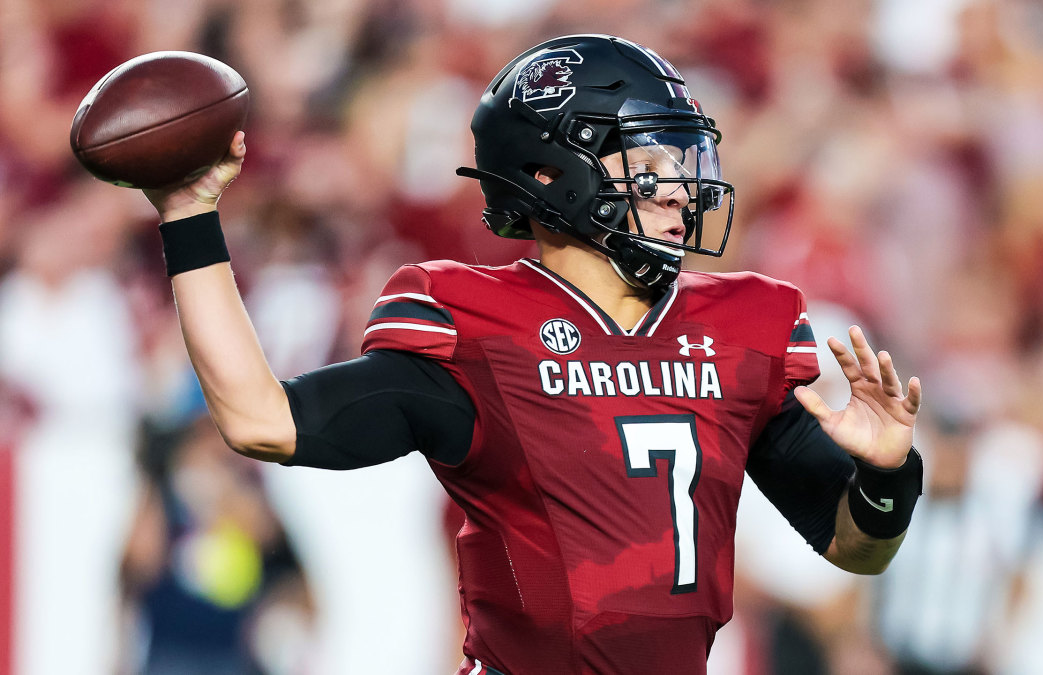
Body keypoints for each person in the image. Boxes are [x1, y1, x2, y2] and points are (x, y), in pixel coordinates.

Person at [141, 34, 924, 675]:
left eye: (684, 163)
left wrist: (889, 473)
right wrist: (189, 214)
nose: (684, 190)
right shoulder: (481, 327)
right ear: (554, 174)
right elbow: (262, 419)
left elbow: (857, 549)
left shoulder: (736, 328)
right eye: (652, 165)